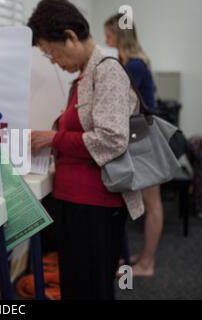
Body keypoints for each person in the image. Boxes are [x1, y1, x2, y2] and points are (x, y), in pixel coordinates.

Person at [28, 0, 144, 300]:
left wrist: (52, 140)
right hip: (74, 202)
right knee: (77, 287)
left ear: (70, 36)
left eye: (52, 52)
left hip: (95, 205)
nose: (53, 62)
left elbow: (112, 138)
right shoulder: (84, 77)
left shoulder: (108, 74)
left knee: (90, 289)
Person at [105, 14, 163, 277]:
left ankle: (147, 264)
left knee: (152, 204)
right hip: (142, 137)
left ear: (119, 36)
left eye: (109, 35)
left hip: (145, 139)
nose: (106, 41)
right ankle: (143, 257)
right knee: (149, 203)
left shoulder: (134, 66)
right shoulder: (133, 63)